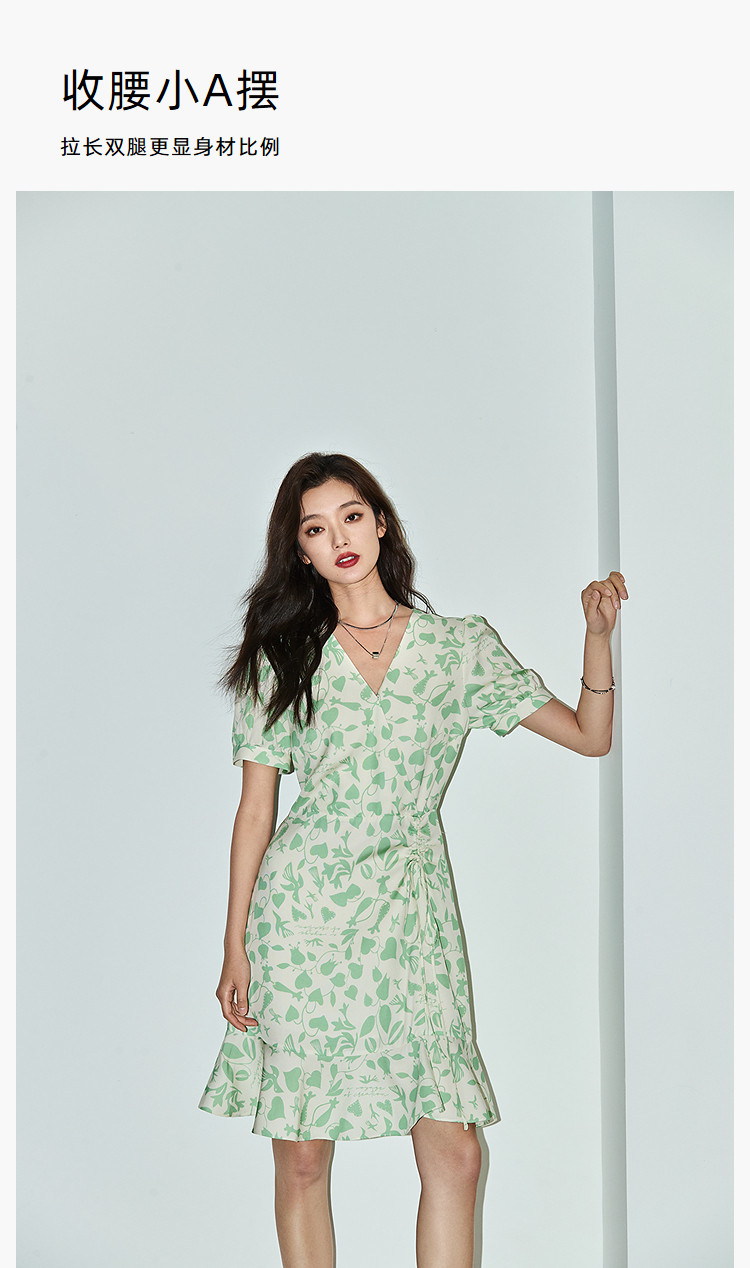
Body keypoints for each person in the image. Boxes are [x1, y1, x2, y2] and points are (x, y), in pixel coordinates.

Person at [198, 451, 627, 1268]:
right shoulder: (285, 658)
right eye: (315, 529)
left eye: (351, 516)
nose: (339, 538)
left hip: (412, 915)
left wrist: (597, 638)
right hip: (304, 916)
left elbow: (589, 736)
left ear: (381, 522)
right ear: (301, 552)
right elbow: (256, 811)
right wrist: (234, 946)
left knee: (456, 1154)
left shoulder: (457, 649)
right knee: (302, 1154)